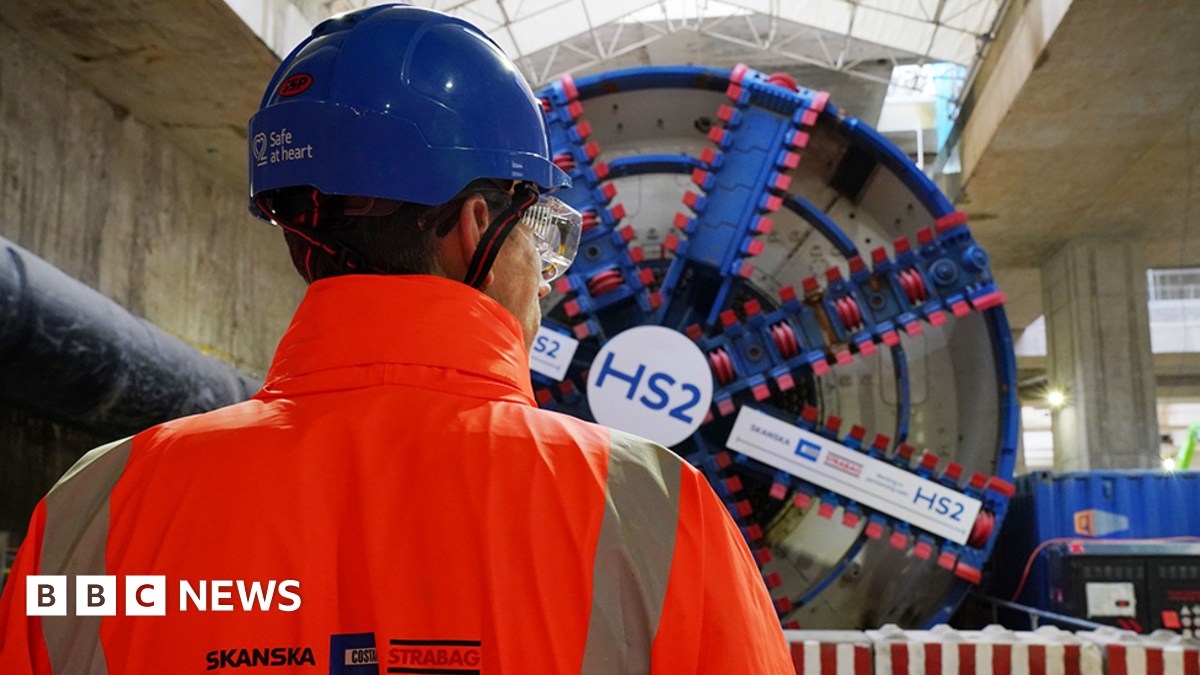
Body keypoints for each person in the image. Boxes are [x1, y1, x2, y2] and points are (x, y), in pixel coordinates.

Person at [0, 5, 792, 673]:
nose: (549, 275)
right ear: (476, 225)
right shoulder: (656, 516)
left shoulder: (92, 516)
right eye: (542, 233)